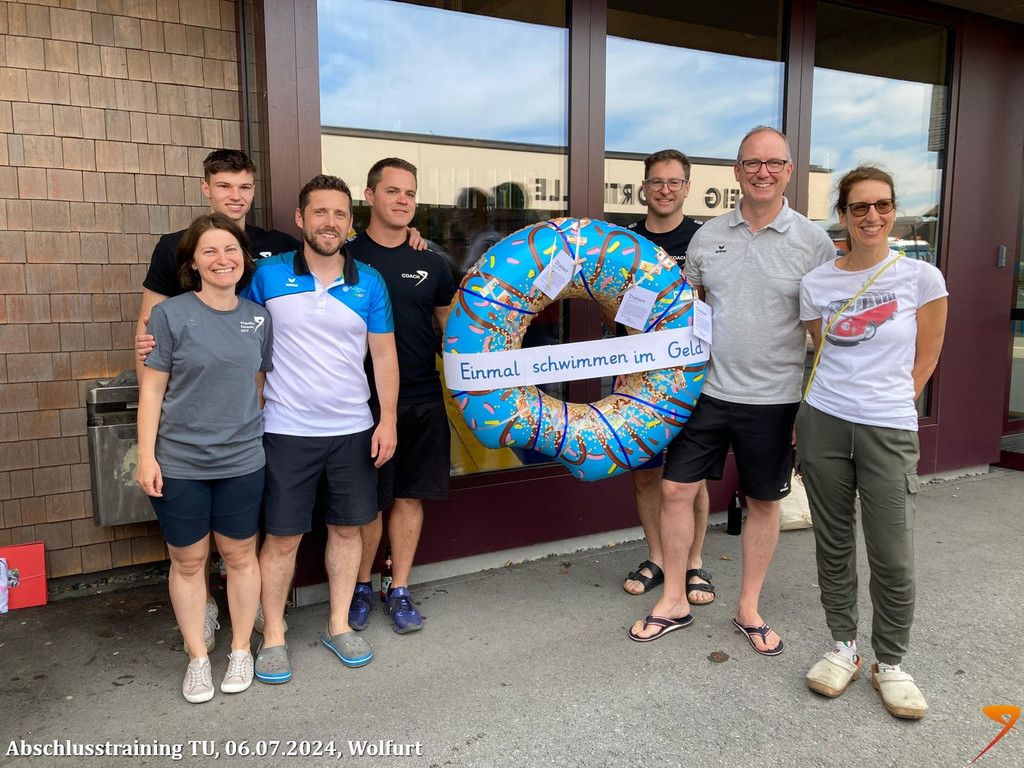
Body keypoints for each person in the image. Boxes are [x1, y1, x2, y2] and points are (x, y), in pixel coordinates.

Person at [629, 126, 835, 653]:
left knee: (763, 502)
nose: (762, 172)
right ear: (737, 171)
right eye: (752, 163)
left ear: (788, 170)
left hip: (775, 400)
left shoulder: (813, 243)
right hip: (704, 392)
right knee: (674, 490)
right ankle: (674, 599)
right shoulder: (707, 237)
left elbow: (822, 337)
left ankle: (749, 608)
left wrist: (809, 408)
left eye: (773, 163)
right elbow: (684, 313)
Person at [135, 149, 300, 653]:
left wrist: (409, 237)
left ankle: (246, 619)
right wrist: (151, 433)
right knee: (190, 556)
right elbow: (149, 333)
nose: (236, 195)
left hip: (242, 434)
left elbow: (331, 251)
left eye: (244, 186)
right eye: (225, 185)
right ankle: (204, 612)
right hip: (185, 430)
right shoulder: (173, 249)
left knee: (240, 546)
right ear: (206, 188)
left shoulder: (278, 246)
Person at [798, 166, 947, 718]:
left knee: (893, 554)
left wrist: (888, 404)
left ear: (893, 211)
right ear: (842, 215)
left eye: (882, 205)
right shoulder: (817, 284)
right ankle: (844, 647)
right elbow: (822, 350)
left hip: (887, 426)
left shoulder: (921, 278)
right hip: (824, 421)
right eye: (859, 207)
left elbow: (926, 358)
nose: (872, 216)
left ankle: (891, 662)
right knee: (833, 543)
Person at [240, 174, 398, 684]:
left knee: (348, 529)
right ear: (300, 219)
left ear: (350, 223)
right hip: (285, 428)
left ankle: (338, 625)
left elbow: (384, 356)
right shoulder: (266, 277)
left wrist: (387, 419)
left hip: (353, 428)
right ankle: (274, 635)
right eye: (320, 212)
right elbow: (241, 341)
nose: (330, 222)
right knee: (282, 538)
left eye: (340, 214)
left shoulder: (369, 281)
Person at [136, 213, 271, 703]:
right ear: (192, 261)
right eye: (209, 250)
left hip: (242, 460)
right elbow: (152, 390)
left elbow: (258, 383)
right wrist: (146, 456)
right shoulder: (169, 315)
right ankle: (197, 658)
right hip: (180, 462)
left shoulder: (259, 318)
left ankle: (240, 650)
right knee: (189, 561)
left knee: (240, 556)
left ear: (244, 258)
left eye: (230, 249)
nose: (222, 259)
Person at [348, 158, 456, 634]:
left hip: (421, 397)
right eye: (392, 191)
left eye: (410, 193)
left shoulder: (431, 261)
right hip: (360, 403)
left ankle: (400, 588)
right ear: (369, 196)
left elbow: (451, 332)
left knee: (410, 498)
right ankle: (359, 586)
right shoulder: (344, 258)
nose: (402, 200)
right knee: (368, 503)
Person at [620, 149, 713, 606]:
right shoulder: (624, 240)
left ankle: (693, 562)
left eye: (674, 182)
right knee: (645, 475)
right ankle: (657, 557)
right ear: (644, 187)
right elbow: (612, 304)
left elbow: (713, 302)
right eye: (657, 181)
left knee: (690, 478)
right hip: (637, 375)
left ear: (687, 188)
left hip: (692, 376)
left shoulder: (704, 239)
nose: (665, 190)